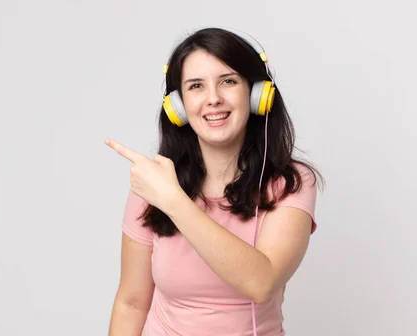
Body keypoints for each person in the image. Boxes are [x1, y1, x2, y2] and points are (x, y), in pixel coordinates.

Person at [105, 27, 323, 336]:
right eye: (196, 86)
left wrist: (173, 201)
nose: (213, 99)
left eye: (228, 81)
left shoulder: (290, 183)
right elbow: (131, 303)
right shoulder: (154, 184)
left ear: (257, 94)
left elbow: (261, 283)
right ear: (178, 106)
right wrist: (165, 193)